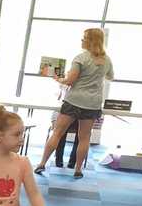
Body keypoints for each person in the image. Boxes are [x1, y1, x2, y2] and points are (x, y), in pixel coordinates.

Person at [35, 28, 113, 179]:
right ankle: (78, 170)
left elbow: (70, 81)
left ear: (91, 40)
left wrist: (59, 79)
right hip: (92, 103)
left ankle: (42, 164)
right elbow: (110, 77)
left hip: (74, 100)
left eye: (84, 38)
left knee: (57, 133)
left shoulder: (80, 58)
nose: (82, 40)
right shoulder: (107, 60)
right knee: (84, 138)